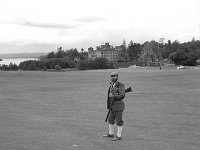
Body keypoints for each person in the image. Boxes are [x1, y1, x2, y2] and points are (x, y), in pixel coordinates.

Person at [103, 72, 125, 141]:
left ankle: (119, 136)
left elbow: (122, 95)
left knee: (119, 121)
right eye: (111, 76)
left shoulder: (120, 85)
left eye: (114, 76)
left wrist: (114, 96)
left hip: (118, 106)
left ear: (117, 77)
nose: (112, 77)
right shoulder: (111, 84)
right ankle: (111, 133)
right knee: (110, 120)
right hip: (111, 106)